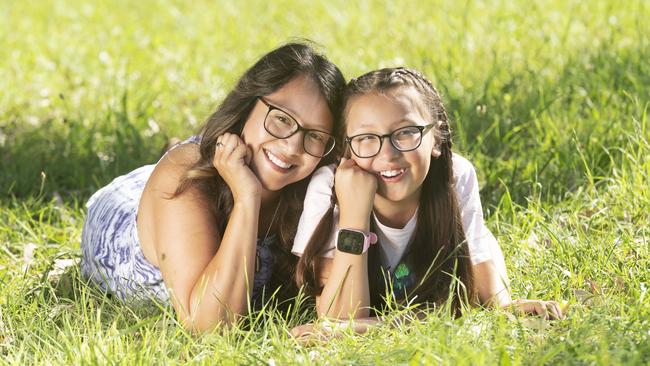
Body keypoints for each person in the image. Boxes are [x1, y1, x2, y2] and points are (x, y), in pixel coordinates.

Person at [80, 42, 346, 332]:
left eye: (315, 135)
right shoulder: (186, 176)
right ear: (247, 105)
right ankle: (173, 153)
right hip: (122, 208)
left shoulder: (317, 187)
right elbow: (211, 327)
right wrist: (247, 198)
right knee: (184, 166)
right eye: (281, 119)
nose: (292, 146)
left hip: (203, 179)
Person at [292, 67, 565, 335]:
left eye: (405, 132)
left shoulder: (455, 176)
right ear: (346, 148)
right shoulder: (328, 188)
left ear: (436, 137)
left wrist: (508, 308)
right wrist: (354, 216)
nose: (388, 154)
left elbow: (482, 301)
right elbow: (339, 316)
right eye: (366, 138)